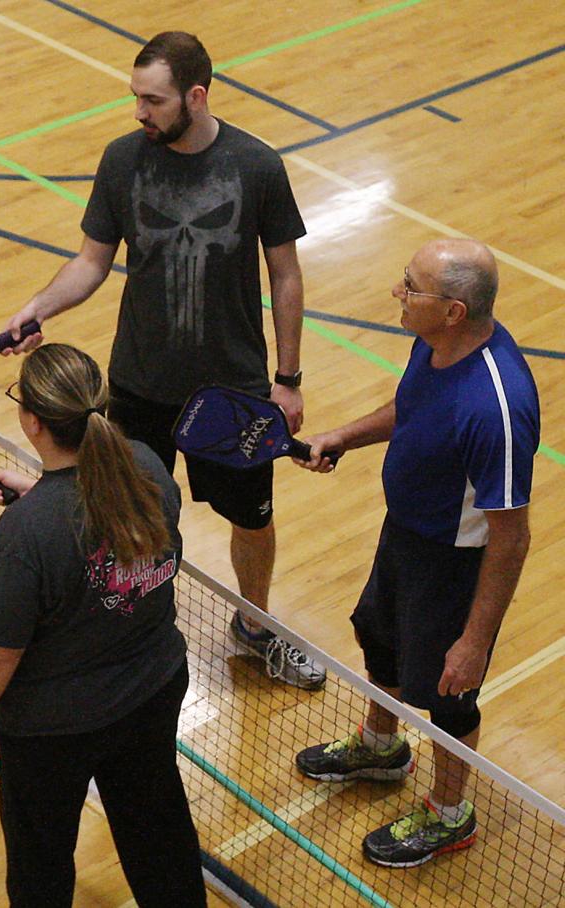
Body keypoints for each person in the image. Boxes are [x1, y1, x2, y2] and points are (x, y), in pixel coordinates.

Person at [3, 30, 323, 689]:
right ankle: (118, 623)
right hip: (141, 384)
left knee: (251, 519)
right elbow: (93, 260)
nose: (139, 113)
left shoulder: (256, 166)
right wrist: (40, 307)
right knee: (122, 510)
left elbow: (285, 275)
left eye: (153, 100)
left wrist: (288, 380)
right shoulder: (123, 161)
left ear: (196, 96)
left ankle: (254, 624)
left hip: (233, 390)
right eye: (136, 98)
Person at [292, 238, 539, 867]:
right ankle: (381, 748)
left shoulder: (496, 406)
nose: (397, 294)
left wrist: (475, 641)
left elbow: (510, 536)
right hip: (404, 533)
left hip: (454, 563)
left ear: (453, 310)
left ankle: (450, 813)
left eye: (411, 287)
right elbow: (409, 407)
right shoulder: (434, 344)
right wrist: (344, 437)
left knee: (449, 690)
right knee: (382, 641)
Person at [0, 344, 206, 906]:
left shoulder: (27, 536)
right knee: (158, 834)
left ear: (32, 421)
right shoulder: (147, 465)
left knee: (41, 860)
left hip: (55, 728)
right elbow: (110, 524)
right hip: (153, 692)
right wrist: (42, 492)